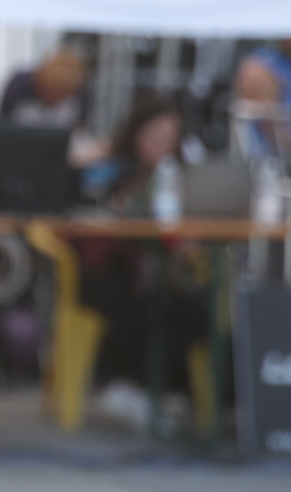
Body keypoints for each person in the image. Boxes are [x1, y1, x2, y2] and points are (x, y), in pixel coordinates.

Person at [75, 98, 208, 430]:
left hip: (155, 269)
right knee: (140, 307)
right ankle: (127, 388)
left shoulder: (178, 177)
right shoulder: (114, 168)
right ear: (136, 135)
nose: (162, 146)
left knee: (194, 309)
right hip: (105, 267)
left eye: (170, 138)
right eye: (155, 137)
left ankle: (139, 388)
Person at [0, 46, 87, 130]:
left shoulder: (79, 98)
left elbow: (81, 130)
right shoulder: (18, 87)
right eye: (49, 91)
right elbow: (1, 124)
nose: (52, 98)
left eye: (59, 95)